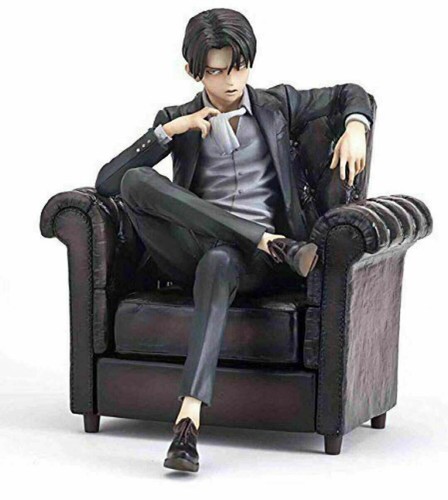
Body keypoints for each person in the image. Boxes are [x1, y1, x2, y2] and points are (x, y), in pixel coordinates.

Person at [94, 8, 373, 473]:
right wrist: (170, 131)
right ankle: (265, 240)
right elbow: (107, 182)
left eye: (238, 68)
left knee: (222, 261)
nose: (230, 81)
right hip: (200, 252)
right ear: (194, 71)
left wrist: (356, 126)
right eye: (217, 71)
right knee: (136, 181)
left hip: (261, 266)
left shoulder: (277, 105)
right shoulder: (177, 119)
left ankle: (187, 422)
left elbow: (352, 93)